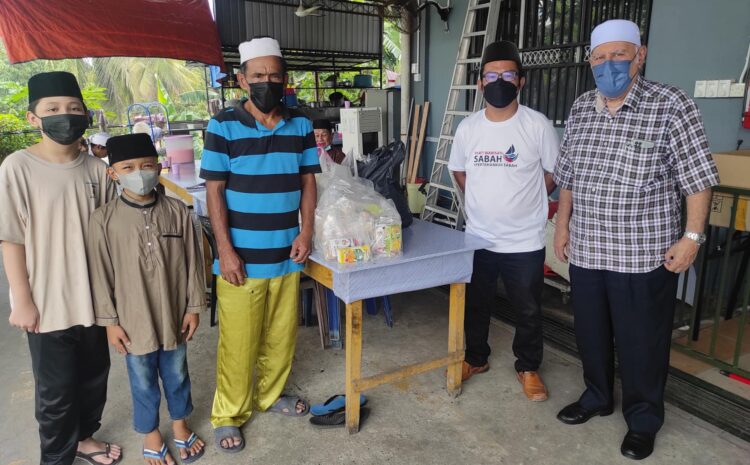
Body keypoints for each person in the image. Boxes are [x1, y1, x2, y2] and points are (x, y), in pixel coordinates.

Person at [553, 20, 719, 460]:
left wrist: (693, 237)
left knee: (642, 343)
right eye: (600, 57)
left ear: (639, 55)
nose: (609, 65)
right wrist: (562, 225)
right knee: (590, 334)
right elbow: (567, 177)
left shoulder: (671, 105)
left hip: (643, 255)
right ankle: (597, 397)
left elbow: (698, 180)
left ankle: (644, 419)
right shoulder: (582, 107)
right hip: (588, 250)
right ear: (590, 62)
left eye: (619, 55)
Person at [200, 36, 321, 452]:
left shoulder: (301, 124)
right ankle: (229, 413)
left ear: (285, 79)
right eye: (258, 76)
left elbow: (308, 182)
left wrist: (306, 232)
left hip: (287, 252)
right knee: (238, 341)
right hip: (242, 258)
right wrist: (226, 250)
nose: (267, 82)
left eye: (274, 76)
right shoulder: (222, 126)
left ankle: (271, 396)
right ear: (241, 80)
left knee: (281, 335)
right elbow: (213, 192)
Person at [0, 71, 122, 465]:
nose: (64, 115)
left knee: (93, 379)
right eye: (52, 109)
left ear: (85, 115)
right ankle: (56, 459)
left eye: (73, 108)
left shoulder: (95, 171)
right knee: (55, 394)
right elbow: (11, 238)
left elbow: (108, 235)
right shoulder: (17, 168)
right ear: (33, 117)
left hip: (93, 299)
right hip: (47, 303)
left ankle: (85, 438)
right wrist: (22, 300)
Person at [448, 41, 559, 401]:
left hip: (524, 239)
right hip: (479, 238)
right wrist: (485, 203)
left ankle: (528, 367)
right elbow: (459, 172)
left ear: (521, 82)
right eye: (491, 75)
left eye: (507, 74)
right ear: (480, 83)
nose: (499, 81)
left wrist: (526, 200)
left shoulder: (536, 125)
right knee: (476, 304)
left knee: (527, 307)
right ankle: (476, 358)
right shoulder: (468, 128)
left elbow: (554, 174)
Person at [87, 133, 207, 465]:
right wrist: (110, 323)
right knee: (141, 378)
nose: (139, 173)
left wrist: (195, 307)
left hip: (174, 313)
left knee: (178, 372)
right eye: (127, 167)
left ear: (158, 167)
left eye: (146, 165)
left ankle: (181, 426)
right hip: (131, 318)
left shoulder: (178, 212)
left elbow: (194, 262)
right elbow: (100, 274)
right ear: (113, 173)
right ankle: (151, 432)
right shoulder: (103, 220)